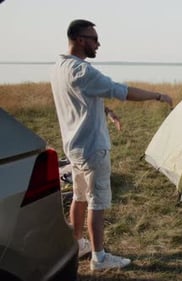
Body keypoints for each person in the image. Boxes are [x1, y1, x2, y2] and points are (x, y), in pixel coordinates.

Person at [50, 19, 173, 271]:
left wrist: (105, 110)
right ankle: (99, 257)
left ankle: (78, 243)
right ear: (81, 39)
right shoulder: (83, 71)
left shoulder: (59, 66)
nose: (98, 43)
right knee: (97, 202)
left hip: (73, 147)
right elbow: (122, 90)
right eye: (94, 39)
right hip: (93, 148)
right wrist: (158, 95)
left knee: (79, 196)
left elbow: (78, 98)